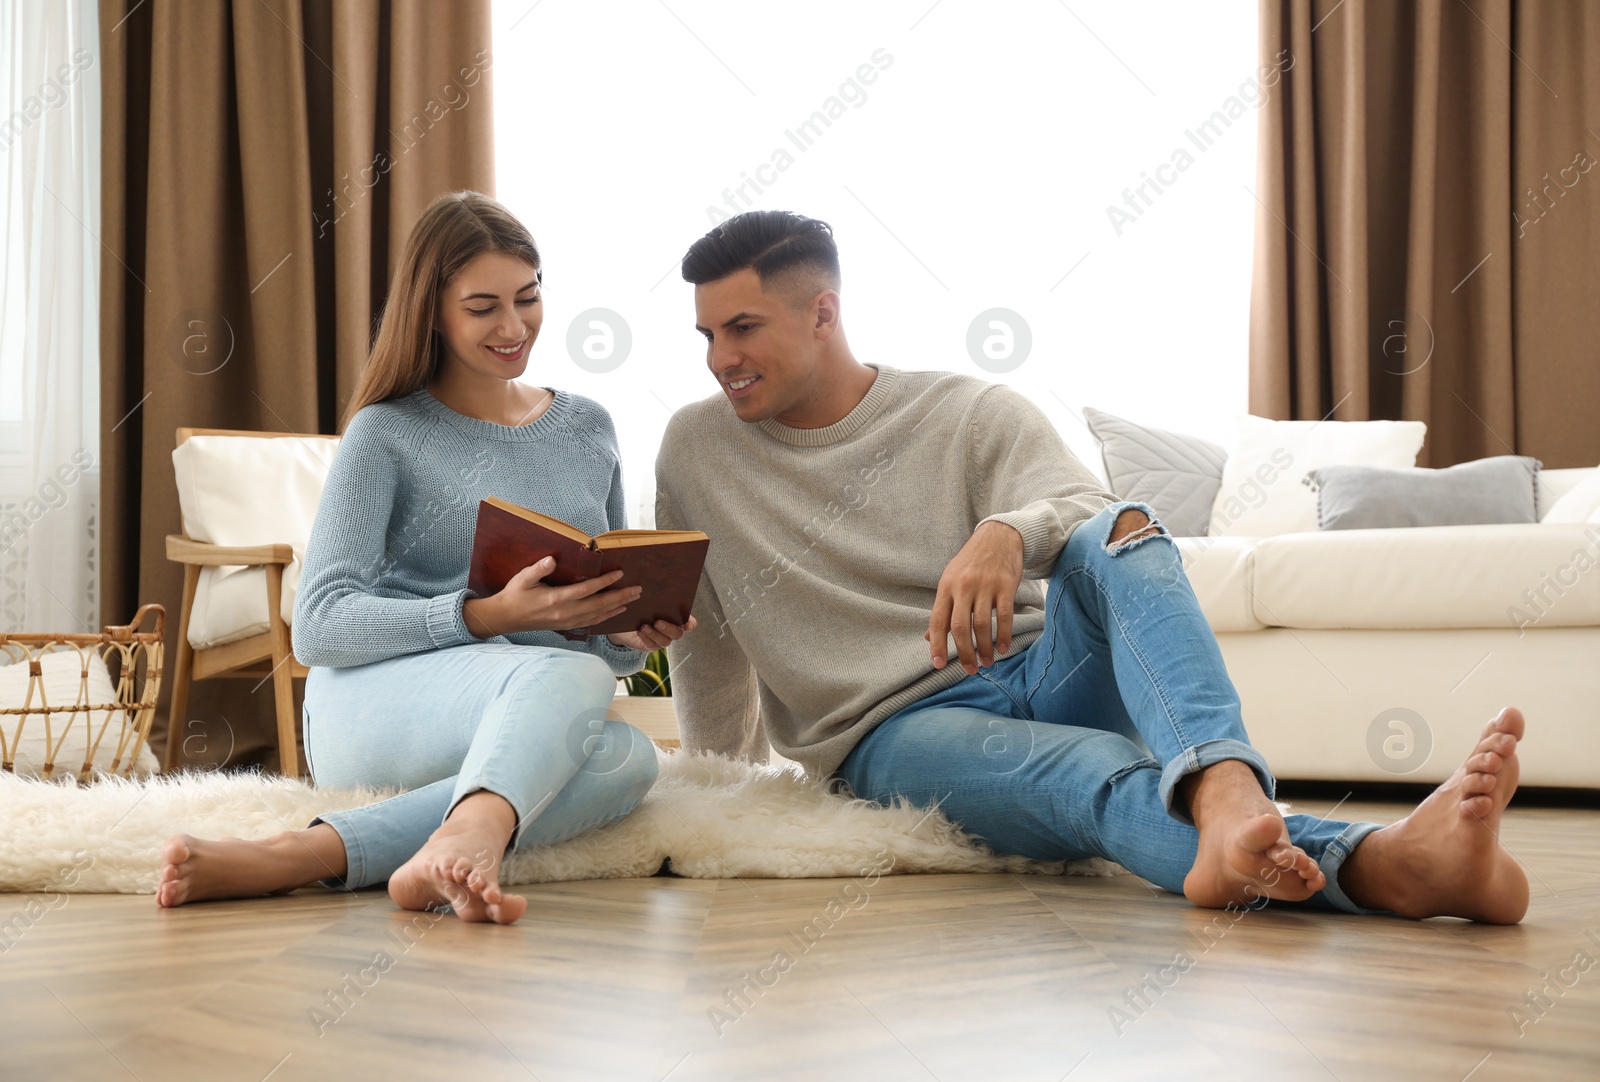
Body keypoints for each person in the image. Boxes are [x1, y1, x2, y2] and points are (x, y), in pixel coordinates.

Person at [655, 209, 1529, 923]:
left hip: (1043, 663)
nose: (720, 359)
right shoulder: (697, 449)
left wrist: (1006, 532)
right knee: (1093, 776)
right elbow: (704, 632)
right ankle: (1387, 867)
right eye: (706, 334)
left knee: (1124, 524)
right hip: (894, 733)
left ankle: (1224, 785)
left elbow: (1086, 510)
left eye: (741, 328)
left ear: (822, 312)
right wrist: (718, 787)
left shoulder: (968, 412)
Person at [157, 192, 694, 923]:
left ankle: (321, 853)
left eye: (528, 298)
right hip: (375, 702)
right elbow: (318, 627)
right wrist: (482, 616)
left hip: (517, 710)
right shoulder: (386, 432)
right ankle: (464, 833)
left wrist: (623, 631)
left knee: (627, 757)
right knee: (577, 681)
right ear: (432, 312)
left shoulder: (587, 428)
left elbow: (591, 636)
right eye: (482, 308)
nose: (514, 327)